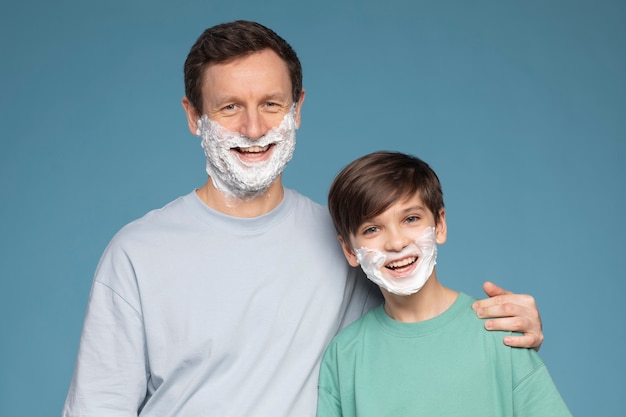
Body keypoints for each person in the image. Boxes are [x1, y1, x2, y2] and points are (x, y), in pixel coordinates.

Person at [62, 21, 545, 417]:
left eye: (271, 104)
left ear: (298, 108)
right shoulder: (137, 252)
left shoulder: (349, 242)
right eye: (230, 107)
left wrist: (503, 328)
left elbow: (422, 320)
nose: (254, 128)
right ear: (193, 117)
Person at [317, 151, 572, 416]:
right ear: (349, 250)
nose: (396, 243)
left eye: (411, 219)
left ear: (439, 225)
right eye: (372, 229)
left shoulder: (498, 332)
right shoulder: (345, 355)